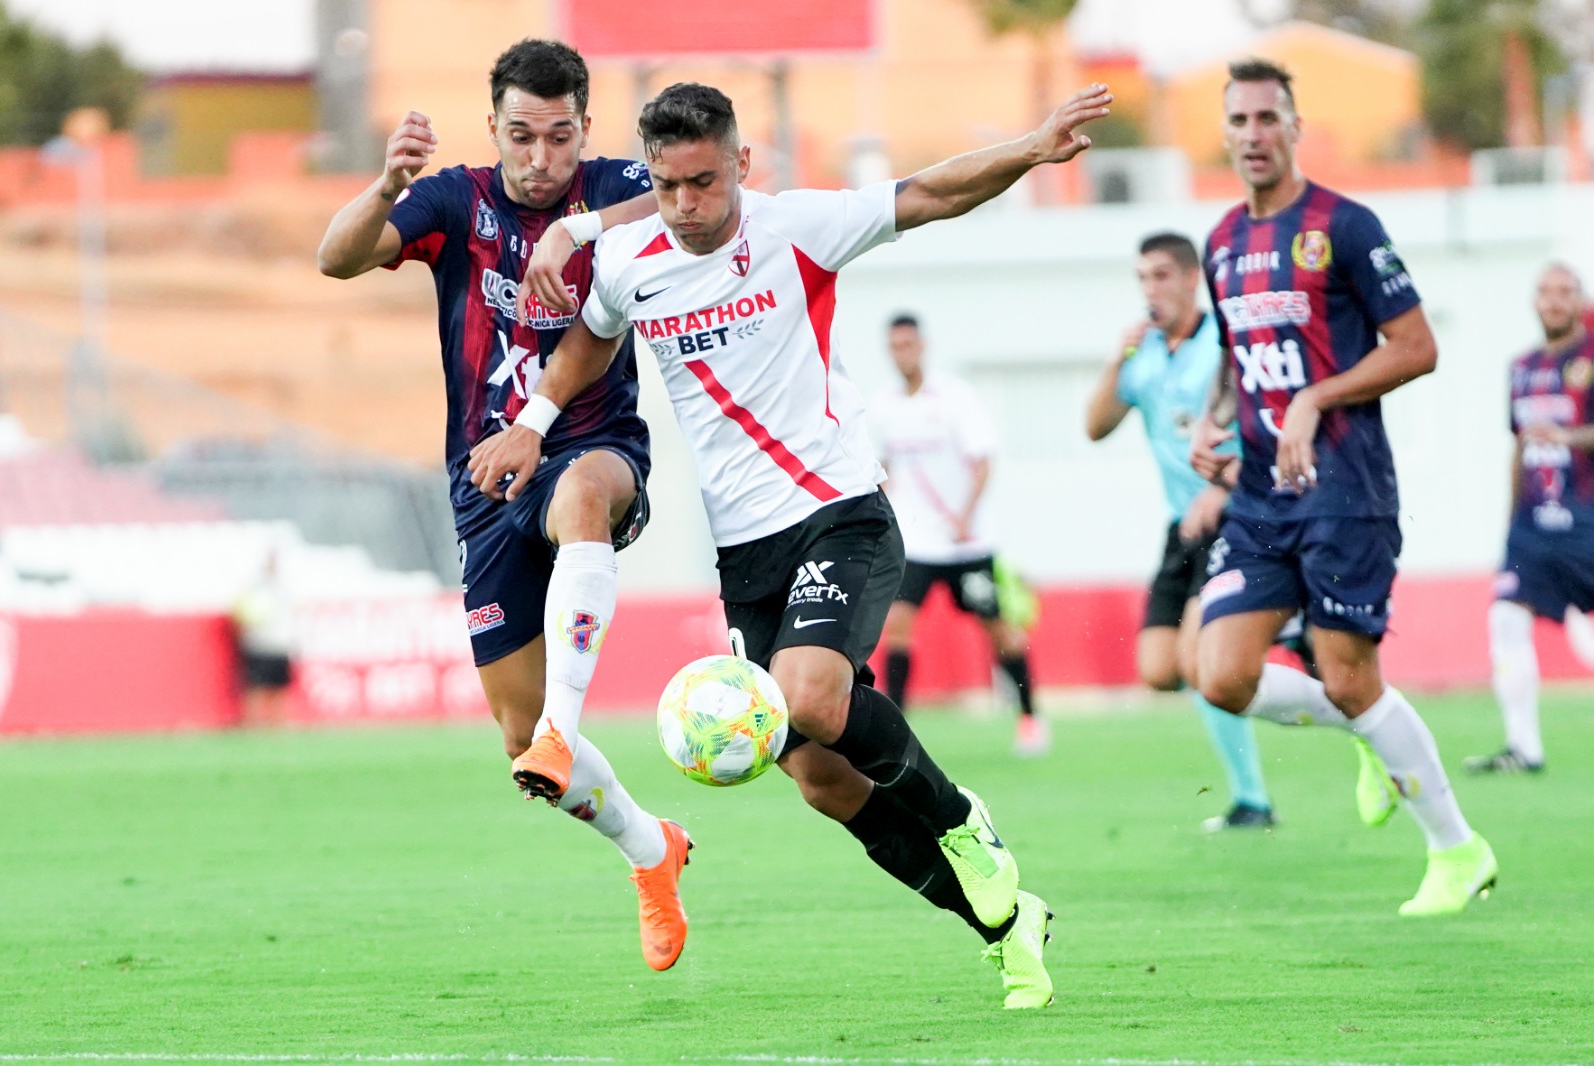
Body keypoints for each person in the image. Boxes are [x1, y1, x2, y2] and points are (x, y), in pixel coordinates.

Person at [471, 80, 1116, 1008]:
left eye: (704, 182)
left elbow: (928, 193)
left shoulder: (797, 227)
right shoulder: (628, 257)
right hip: (746, 555)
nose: (687, 207)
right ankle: (1007, 927)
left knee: (814, 697)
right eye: (667, 187)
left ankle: (963, 822)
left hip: (839, 509)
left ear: (741, 163)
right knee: (818, 778)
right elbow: (590, 341)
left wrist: (1029, 147)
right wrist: (533, 418)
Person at [316, 39, 691, 971]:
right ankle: (653, 849)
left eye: (559, 137)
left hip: (591, 444)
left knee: (585, 498)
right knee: (517, 741)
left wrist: (586, 225)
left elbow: (699, 182)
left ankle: (568, 725)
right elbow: (336, 260)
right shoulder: (454, 200)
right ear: (494, 129)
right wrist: (384, 186)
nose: (540, 157)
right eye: (521, 136)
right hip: (483, 481)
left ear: (585, 132)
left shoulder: (611, 184)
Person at [1190, 58, 1496, 915]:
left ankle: (1456, 849)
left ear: (1294, 127)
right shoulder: (1221, 241)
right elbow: (1233, 351)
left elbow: (1417, 345)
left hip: (1346, 488)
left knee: (1352, 675)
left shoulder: (1345, 224)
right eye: (1239, 121)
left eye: (1267, 119)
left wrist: (1315, 400)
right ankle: (1367, 727)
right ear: (1225, 134)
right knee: (1218, 673)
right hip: (1258, 495)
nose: (1253, 134)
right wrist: (1217, 420)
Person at [1084, 231, 1276, 829]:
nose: (1151, 289)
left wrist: (1222, 487)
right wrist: (1118, 357)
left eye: (1162, 275)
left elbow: (1263, 422)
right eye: (1142, 277)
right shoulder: (1144, 356)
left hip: (1238, 513)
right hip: (1181, 528)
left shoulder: (1223, 342)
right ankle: (1292, 675)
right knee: (1159, 670)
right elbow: (1094, 426)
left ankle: (1253, 800)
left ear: (1193, 279)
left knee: (1199, 663)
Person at [869, 313, 1047, 756]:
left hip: (967, 543)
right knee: (898, 627)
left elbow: (983, 461)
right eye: (895, 347)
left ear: (922, 346)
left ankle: (1029, 716)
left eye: (909, 345)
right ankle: (897, 731)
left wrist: (966, 516)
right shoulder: (884, 406)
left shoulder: (954, 398)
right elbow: (881, 468)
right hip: (918, 543)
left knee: (999, 629)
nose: (902, 354)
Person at [1467, 262, 1594, 774]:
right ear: (1535, 301)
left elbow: (1566, 435)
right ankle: (1524, 747)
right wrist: (1509, 521)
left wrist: (1569, 437)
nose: (1554, 301)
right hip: (1533, 527)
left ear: (1580, 300)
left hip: (1586, 518)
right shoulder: (1521, 368)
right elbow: (1519, 445)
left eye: (1565, 292)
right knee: (1505, 618)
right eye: (1545, 292)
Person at [233, 548, 295, 727]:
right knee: (256, 686)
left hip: (280, 643)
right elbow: (242, 613)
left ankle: (278, 722)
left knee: (279, 686)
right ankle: (252, 722)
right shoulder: (254, 587)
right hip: (259, 643)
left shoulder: (285, 587)